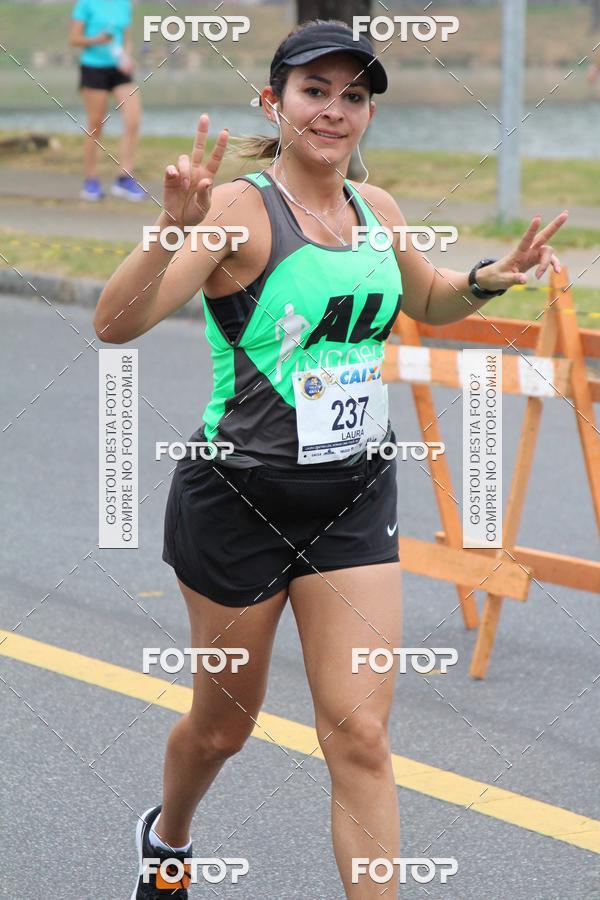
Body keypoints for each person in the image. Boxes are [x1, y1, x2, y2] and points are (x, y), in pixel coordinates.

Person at [93, 18, 568, 899]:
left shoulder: (377, 211)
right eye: (315, 91)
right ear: (274, 101)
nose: (335, 110)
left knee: (360, 737)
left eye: (355, 96)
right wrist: (168, 225)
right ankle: (168, 837)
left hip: (353, 498)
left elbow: (428, 296)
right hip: (238, 499)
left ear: (368, 114)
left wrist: (491, 276)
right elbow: (115, 324)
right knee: (223, 728)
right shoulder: (237, 209)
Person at [69, 0, 146, 201]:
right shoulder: (85, 4)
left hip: (118, 68)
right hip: (94, 68)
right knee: (96, 124)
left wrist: (126, 56)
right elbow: (74, 39)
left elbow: (126, 38)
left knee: (133, 119)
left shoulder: (124, 4)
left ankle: (124, 178)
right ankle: (90, 181)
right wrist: (98, 40)